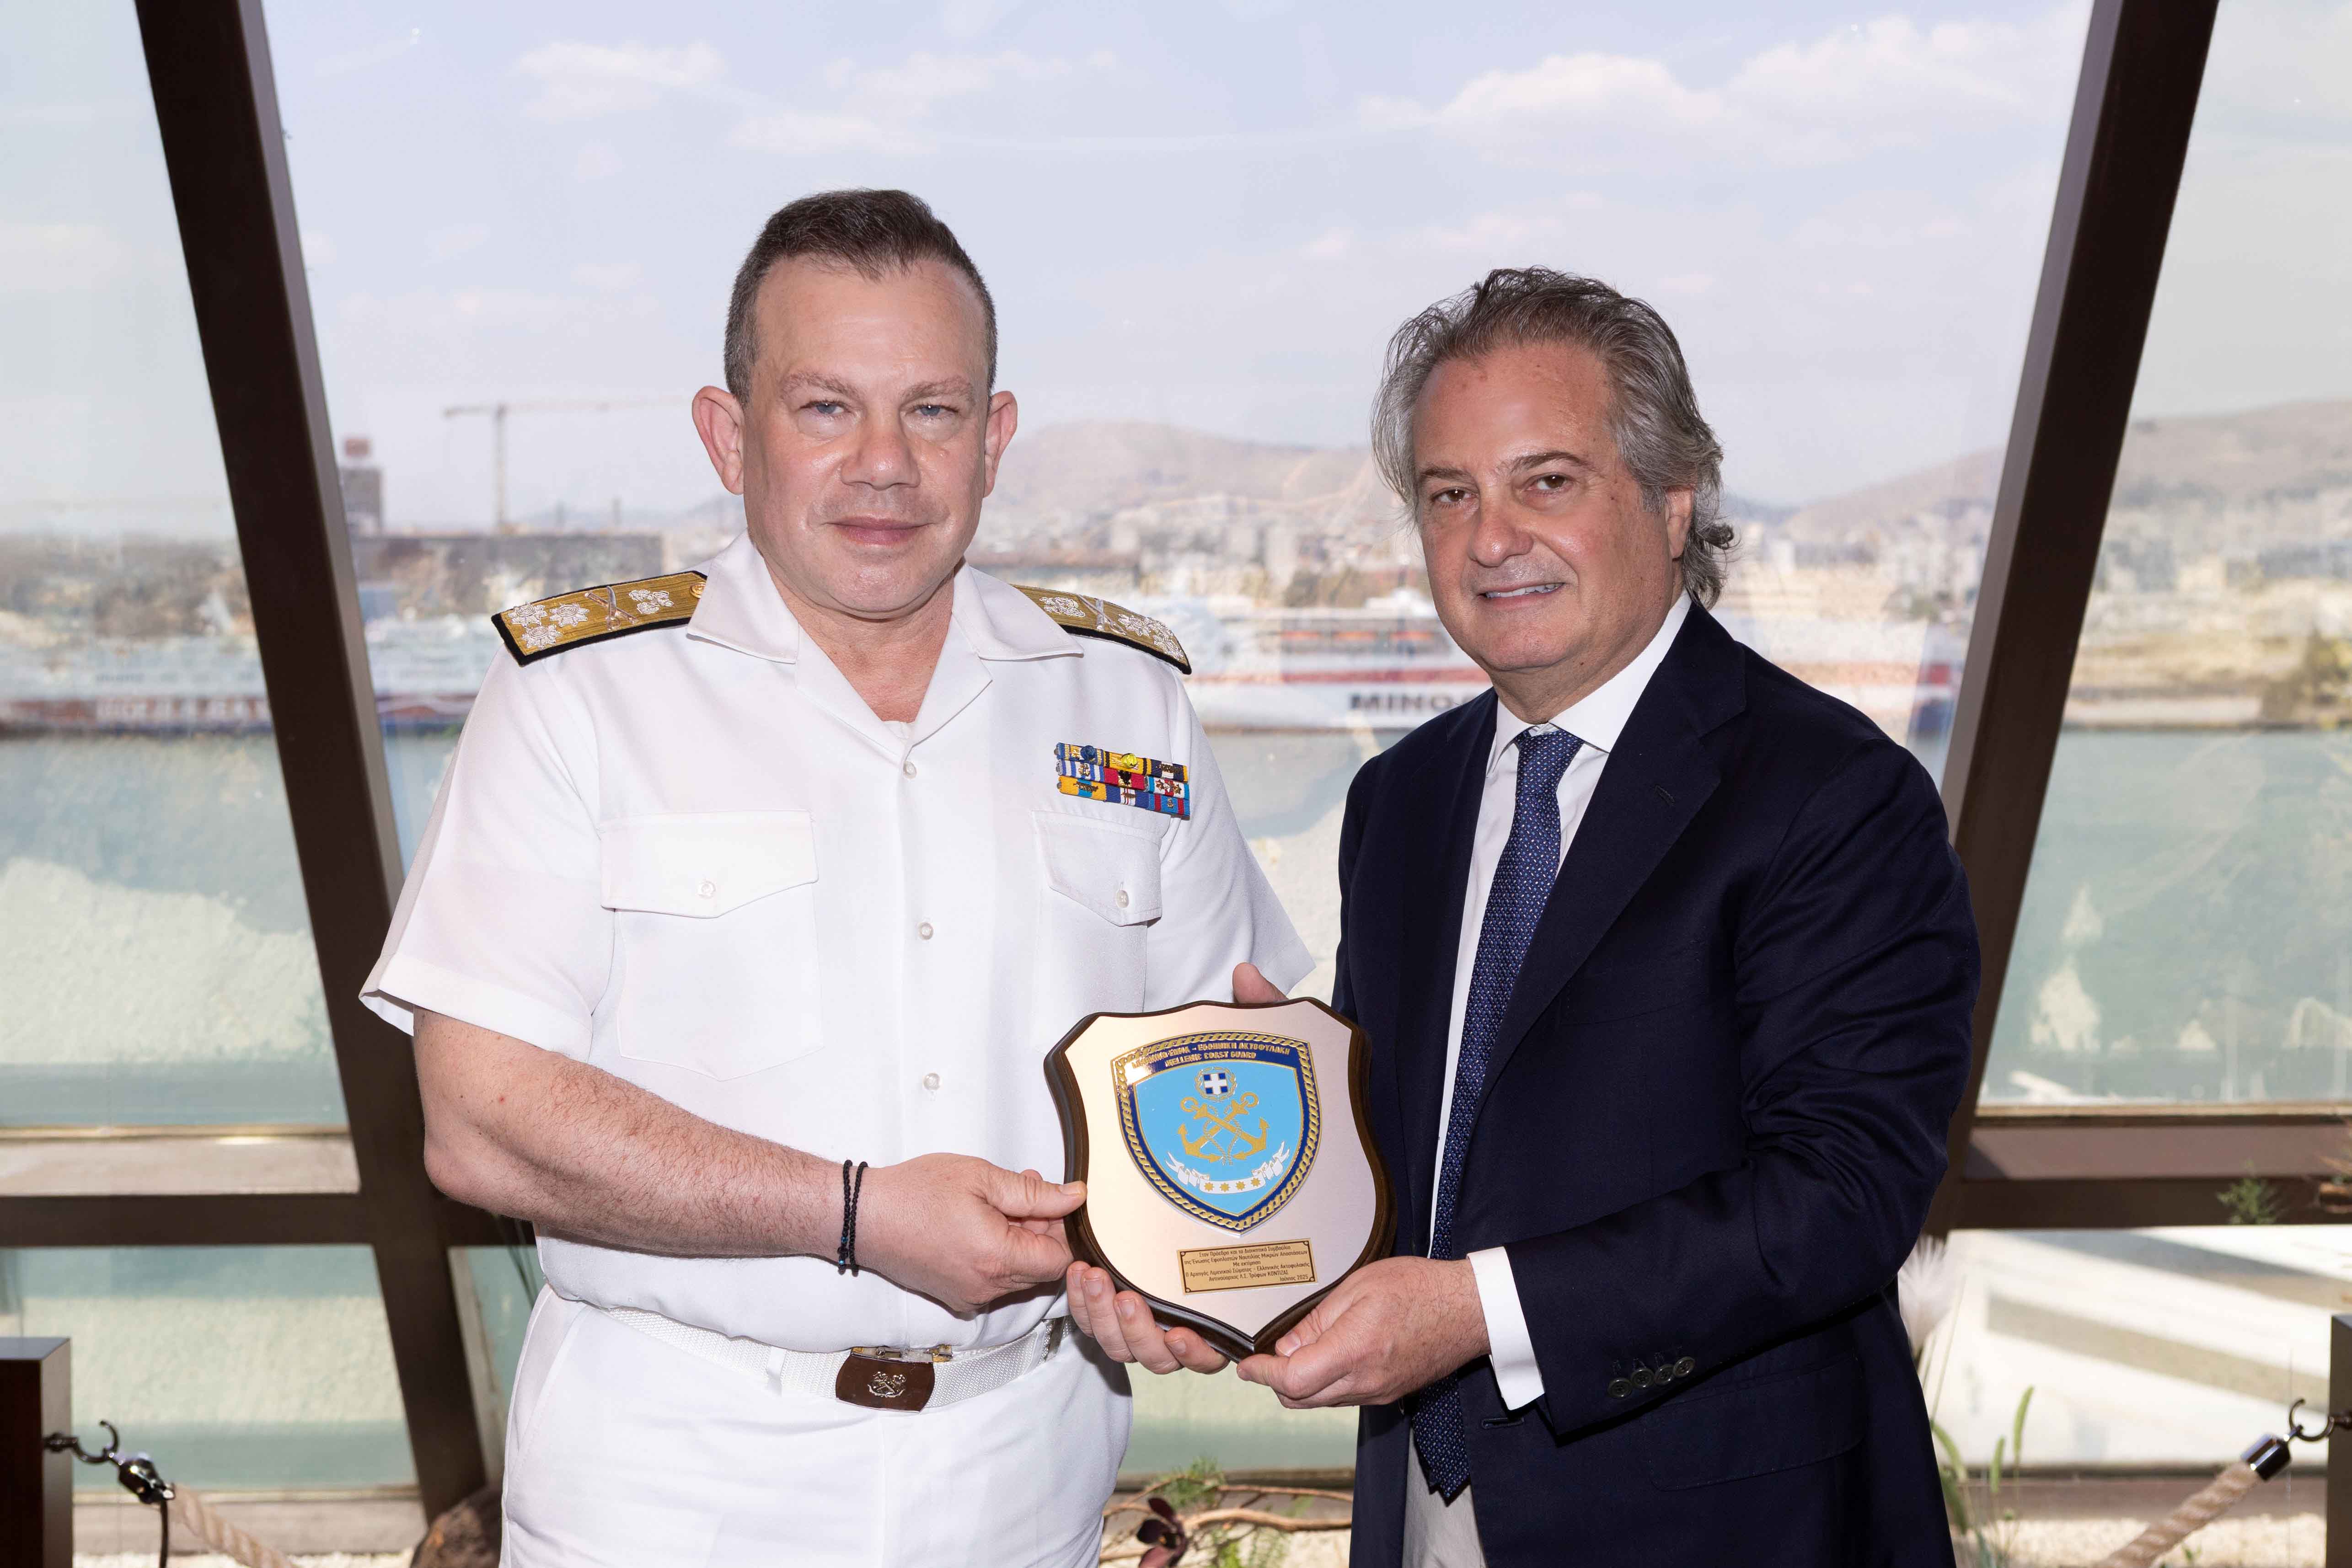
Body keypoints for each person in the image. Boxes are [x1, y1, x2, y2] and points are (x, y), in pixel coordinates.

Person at [362, 188, 1311, 1567]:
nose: (885, 465)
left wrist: (1186, 1270)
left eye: (932, 411)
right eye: (825, 409)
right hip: (672, 1486)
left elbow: (1221, 1058)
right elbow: (481, 1122)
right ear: (727, 433)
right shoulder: (579, 696)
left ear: (994, 439)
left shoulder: (1125, 700)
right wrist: (857, 1215)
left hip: (1024, 1477)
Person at [1068, 268, 1978, 1567]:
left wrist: (1475, 1313)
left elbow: (1840, 1195)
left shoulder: (1833, 795)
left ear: (1674, 500)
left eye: (1546, 482)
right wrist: (1241, 1230)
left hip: (1718, 1527)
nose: (1492, 538)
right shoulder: (1403, 799)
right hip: (1425, 1510)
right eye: (1450, 495)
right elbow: (1415, 1173)